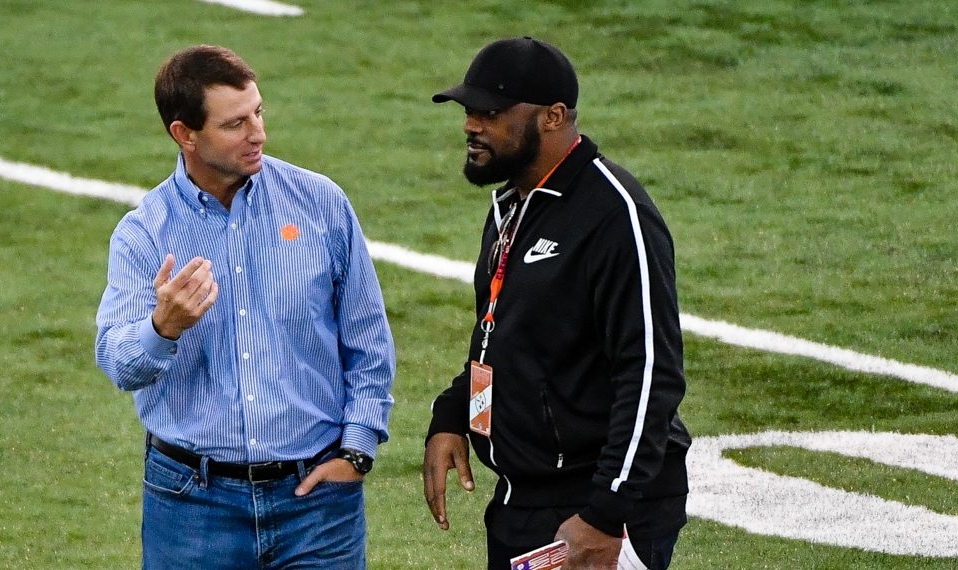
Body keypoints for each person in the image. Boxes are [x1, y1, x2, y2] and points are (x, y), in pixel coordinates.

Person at [95, 44, 395, 569]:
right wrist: (163, 327)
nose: (258, 133)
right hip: (192, 505)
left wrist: (357, 449)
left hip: (317, 502)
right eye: (235, 124)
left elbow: (367, 339)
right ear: (185, 134)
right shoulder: (144, 234)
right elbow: (118, 364)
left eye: (258, 112)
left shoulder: (321, 203)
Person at [422, 37, 690, 570]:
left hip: (595, 505)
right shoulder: (511, 205)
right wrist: (452, 413)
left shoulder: (616, 215)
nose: (471, 125)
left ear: (553, 116)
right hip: (522, 496)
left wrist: (606, 514)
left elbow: (650, 375)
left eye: (491, 113)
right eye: (469, 111)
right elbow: (503, 338)